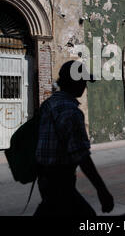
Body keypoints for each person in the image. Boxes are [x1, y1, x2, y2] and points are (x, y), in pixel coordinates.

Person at [34, 60, 114, 216]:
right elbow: (81, 156)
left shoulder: (49, 104)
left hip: (44, 179)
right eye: (83, 80)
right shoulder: (71, 112)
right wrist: (102, 190)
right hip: (61, 182)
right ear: (75, 82)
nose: (85, 85)